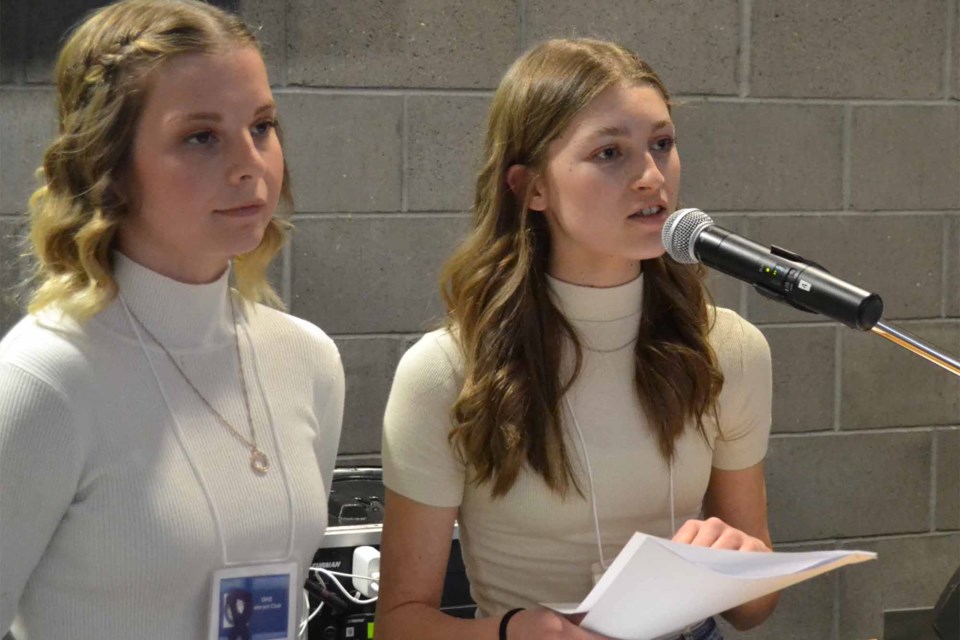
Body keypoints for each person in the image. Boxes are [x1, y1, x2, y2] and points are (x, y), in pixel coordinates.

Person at [375, 38, 778, 640]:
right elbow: (400, 624)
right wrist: (510, 633)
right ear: (531, 188)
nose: (650, 177)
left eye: (662, 144)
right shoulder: (446, 370)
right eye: (610, 152)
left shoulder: (731, 349)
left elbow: (752, 611)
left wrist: (741, 566)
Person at [0, 1, 344, 638]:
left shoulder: (306, 358)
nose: (251, 165)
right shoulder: (42, 379)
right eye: (201, 136)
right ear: (109, 165)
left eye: (262, 126)